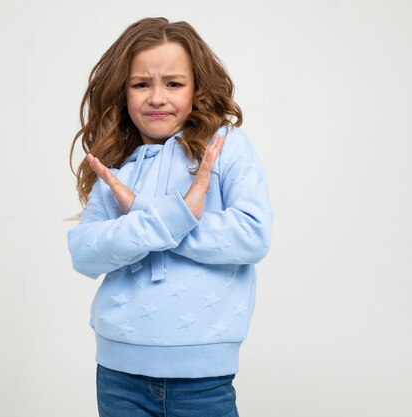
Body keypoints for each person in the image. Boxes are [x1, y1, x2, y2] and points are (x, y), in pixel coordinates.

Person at [67, 17, 273, 417]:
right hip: (119, 373)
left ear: (197, 88)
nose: (156, 97)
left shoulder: (224, 147)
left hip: (203, 377)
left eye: (173, 84)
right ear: (122, 91)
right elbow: (84, 253)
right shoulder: (116, 165)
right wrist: (173, 218)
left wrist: (143, 215)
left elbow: (252, 234)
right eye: (141, 84)